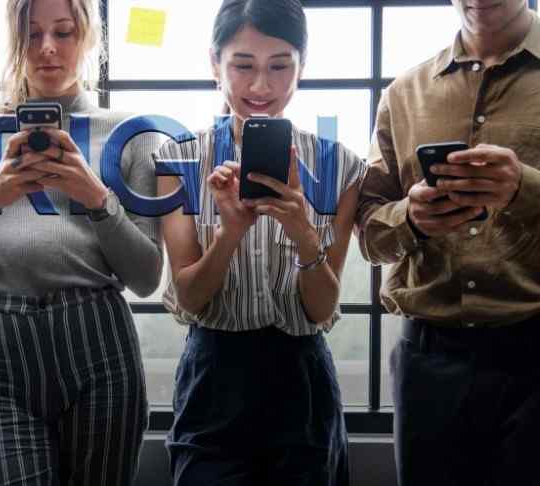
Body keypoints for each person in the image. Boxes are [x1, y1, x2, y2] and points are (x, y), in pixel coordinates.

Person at [0, 0, 163, 484]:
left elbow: (147, 277)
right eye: (31, 35)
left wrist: (96, 197)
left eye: (64, 32)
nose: (47, 48)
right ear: (13, 39)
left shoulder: (132, 134)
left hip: (97, 340)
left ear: (88, 38)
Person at [157, 0, 365, 484]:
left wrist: (302, 231)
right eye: (242, 65)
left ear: (302, 68)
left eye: (280, 66)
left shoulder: (343, 165)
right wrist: (230, 234)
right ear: (215, 64)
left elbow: (321, 309)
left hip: (302, 375)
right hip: (214, 371)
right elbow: (189, 298)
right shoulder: (180, 159)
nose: (260, 87)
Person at [356, 1, 540, 484]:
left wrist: (525, 189)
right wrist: (410, 217)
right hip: (429, 362)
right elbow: (370, 235)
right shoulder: (403, 93)